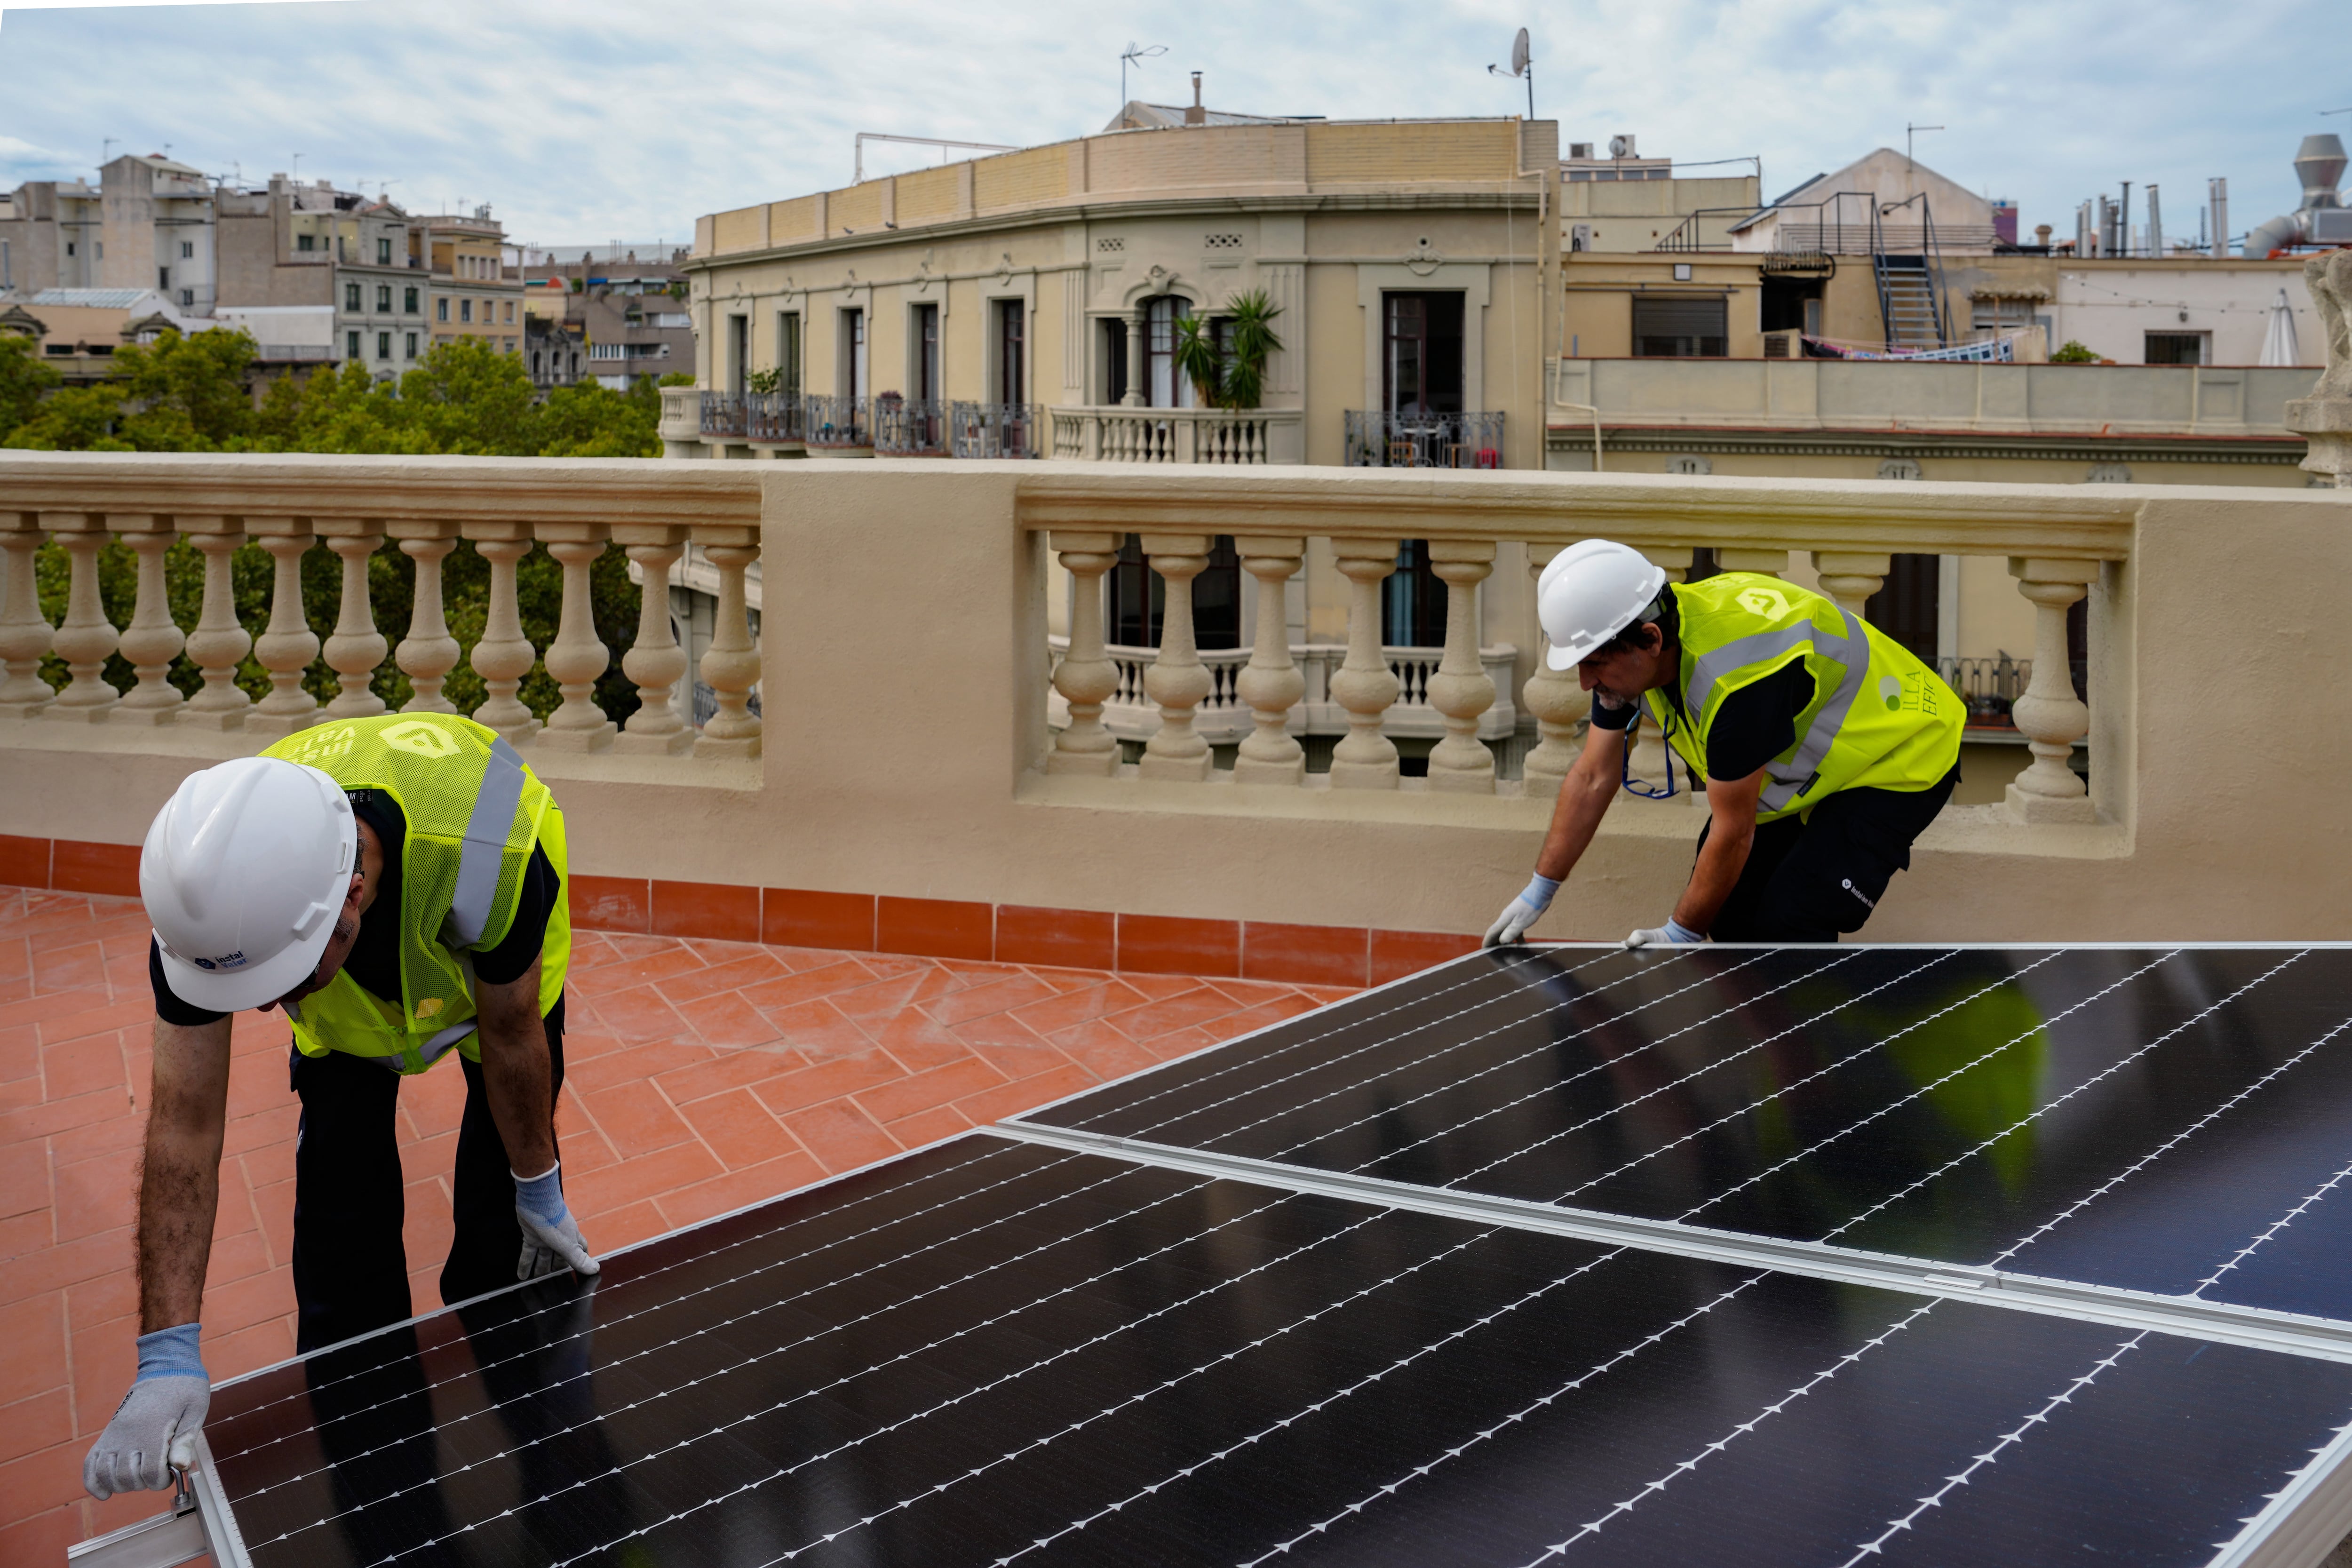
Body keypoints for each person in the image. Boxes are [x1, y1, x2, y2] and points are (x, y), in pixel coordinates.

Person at [83, 712, 597, 1501]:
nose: (263, 1008)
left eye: (282, 979)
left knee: (501, 1243)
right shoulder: (209, 900)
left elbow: (511, 1029)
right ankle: (381, 1497)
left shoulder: (485, 855)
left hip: (495, 979)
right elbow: (182, 1122)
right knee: (341, 1257)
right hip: (354, 1016)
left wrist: (539, 1186)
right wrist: (167, 1349)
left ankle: (555, 1478)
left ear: (351, 893)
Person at [1485, 539, 1961, 950]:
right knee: (1728, 908)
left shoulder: (1737, 681)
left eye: (1594, 664)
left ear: (1650, 640)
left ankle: (1812, 1053)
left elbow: (1734, 831)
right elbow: (1592, 776)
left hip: (1900, 752)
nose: (1586, 682)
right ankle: (1763, 1044)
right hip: (1823, 764)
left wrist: (1680, 933)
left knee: (1794, 916)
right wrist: (1540, 889)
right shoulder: (1637, 643)